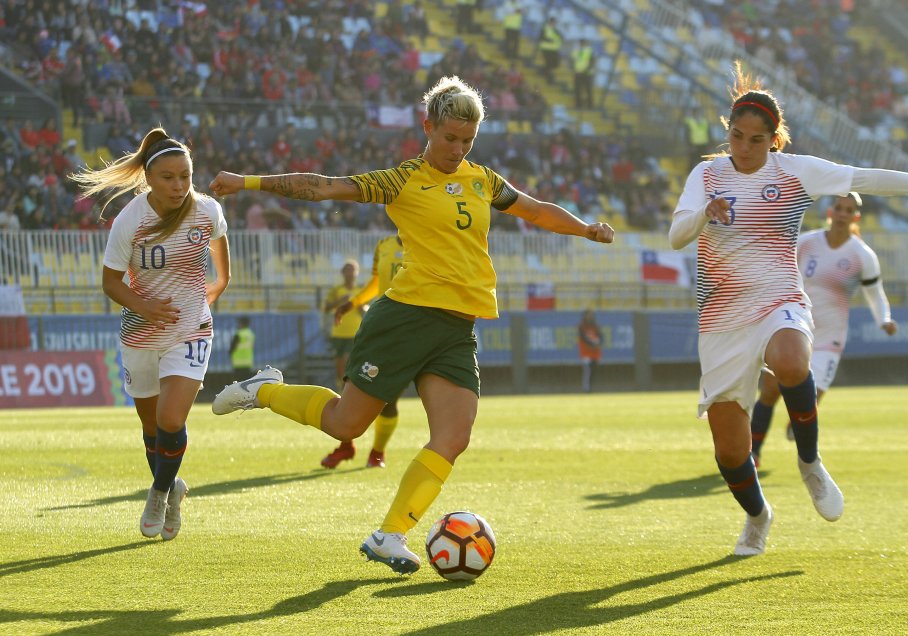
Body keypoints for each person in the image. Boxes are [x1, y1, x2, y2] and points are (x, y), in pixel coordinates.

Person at [209, 76, 614, 575]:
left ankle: (389, 535)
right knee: (345, 424)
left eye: (467, 140)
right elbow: (323, 187)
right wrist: (246, 182)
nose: (458, 148)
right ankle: (264, 390)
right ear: (428, 126)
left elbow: (536, 210)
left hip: (457, 329)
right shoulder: (402, 180)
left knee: (454, 436)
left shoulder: (483, 179)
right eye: (450, 138)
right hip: (405, 319)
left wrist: (586, 228)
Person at [668, 61, 908, 557]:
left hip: (779, 299)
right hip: (722, 318)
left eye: (757, 139)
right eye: (737, 136)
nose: (745, 147)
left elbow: (871, 178)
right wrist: (702, 214)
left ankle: (810, 462)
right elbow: (675, 237)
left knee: (794, 362)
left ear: (774, 140)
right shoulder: (706, 175)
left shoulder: (794, 172)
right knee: (730, 451)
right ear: (727, 132)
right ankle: (758, 517)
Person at [72, 127, 231, 541]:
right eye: (168, 178)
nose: (179, 186)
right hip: (141, 333)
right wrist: (144, 306)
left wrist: (222, 280)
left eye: (186, 176)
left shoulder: (207, 210)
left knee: (170, 418)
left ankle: (158, 492)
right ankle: (174, 487)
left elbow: (219, 238)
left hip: (191, 328)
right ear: (148, 178)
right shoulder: (130, 220)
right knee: (150, 427)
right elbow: (110, 282)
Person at [750, 193, 898, 466]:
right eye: (838, 208)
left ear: (856, 217)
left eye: (848, 210)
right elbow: (778, 268)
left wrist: (884, 319)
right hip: (792, 329)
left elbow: (874, 293)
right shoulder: (806, 243)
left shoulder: (862, 255)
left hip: (829, 337)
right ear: (830, 212)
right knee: (770, 390)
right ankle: (754, 452)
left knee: (810, 400)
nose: (842, 214)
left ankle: (797, 429)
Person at [321, 234, 405, 470]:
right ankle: (346, 445)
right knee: (351, 386)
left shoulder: (427, 240)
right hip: (381, 326)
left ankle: (377, 453)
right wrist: (353, 303)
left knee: (390, 396)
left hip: (411, 328)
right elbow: (377, 281)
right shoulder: (384, 245)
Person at [322, 259, 363, 391]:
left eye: (353, 270)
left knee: (349, 360)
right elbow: (326, 308)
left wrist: (360, 305)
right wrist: (340, 301)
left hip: (354, 333)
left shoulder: (361, 290)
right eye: (347, 270)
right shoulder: (336, 290)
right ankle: (341, 387)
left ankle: (349, 388)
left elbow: (368, 308)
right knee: (340, 362)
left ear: (357, 273)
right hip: (338, 332)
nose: (350, 273)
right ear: (343, 272)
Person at [578, 308, 602, 392]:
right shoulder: (582, 327)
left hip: (595, 353)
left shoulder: (596, 326)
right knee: (587, 371)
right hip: (586, 353)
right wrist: (592, 343)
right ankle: (586, 389)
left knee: (593, 371)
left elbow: (601, 337)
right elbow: (583, 338)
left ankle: (590, 388)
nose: (590, 317)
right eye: (588, 315)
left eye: (591, 315)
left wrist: (597, 342)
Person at [230, 316, 255, 382]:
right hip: (248, 362)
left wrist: (231, 353)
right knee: (247, 382)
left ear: (241, 323)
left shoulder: (239, 334)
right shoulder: (250, 334)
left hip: (238, 362)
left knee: (238, 383)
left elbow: (232, 348)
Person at [539, 17, 562, 81]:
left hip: (553, 49)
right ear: (550, 22)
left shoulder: (555, 30)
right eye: (553, 22)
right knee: (549, 63)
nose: (554, 24)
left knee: (554, 63)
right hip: (546, 48)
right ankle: (547, 75)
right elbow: (541, 38)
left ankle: (546, 72)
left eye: (554, 23)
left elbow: (559, 38)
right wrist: (550, 40)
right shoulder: (545, 29)